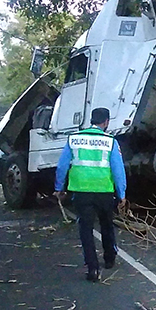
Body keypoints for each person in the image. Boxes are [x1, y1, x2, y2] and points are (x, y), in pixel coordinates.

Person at [53, 107, 127, 282]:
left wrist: (59, 187)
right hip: (104, 192)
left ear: (91, 120)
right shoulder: (110, 141)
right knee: (107, 225)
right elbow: (118, 170)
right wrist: (122, 193)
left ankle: (92, 268)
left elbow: (62, 166)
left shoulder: (75, 139)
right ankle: (109, 259)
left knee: (85, 229)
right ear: (106, 122)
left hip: (81, 192)